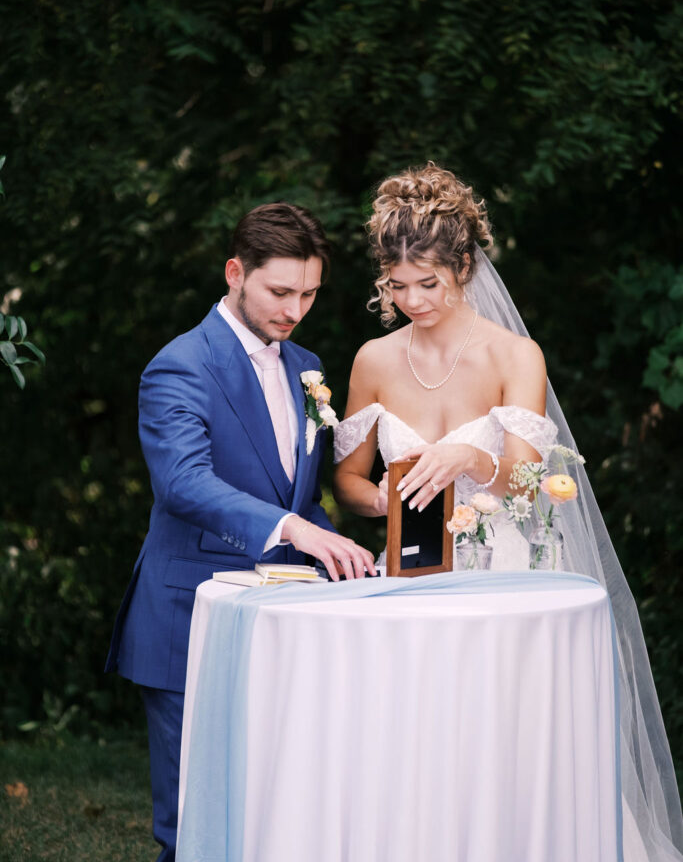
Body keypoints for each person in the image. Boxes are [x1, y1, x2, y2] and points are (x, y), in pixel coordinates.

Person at [333, 163, 682, 862]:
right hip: (407, 575)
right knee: (417, 737)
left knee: (502, 736)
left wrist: (468, 459)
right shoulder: (372, 359)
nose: (411, 300)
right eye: (396, 285)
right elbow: (346, 481)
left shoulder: (515, 355)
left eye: (428, 283)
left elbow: (525, 483)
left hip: (503, 571)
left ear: (463, 267)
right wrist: (386, 499)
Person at [106, 202, 375, 862]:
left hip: (284, 626)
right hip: (189, 622)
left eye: (309, 294)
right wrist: (295, 528)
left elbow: (294, 496)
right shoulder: (180, 365)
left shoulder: (305, 364)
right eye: (280, 292)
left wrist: (343, 552)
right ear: (235, 273)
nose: (295, 309)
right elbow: (183, 483)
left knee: (273, 819)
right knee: (195, 827)